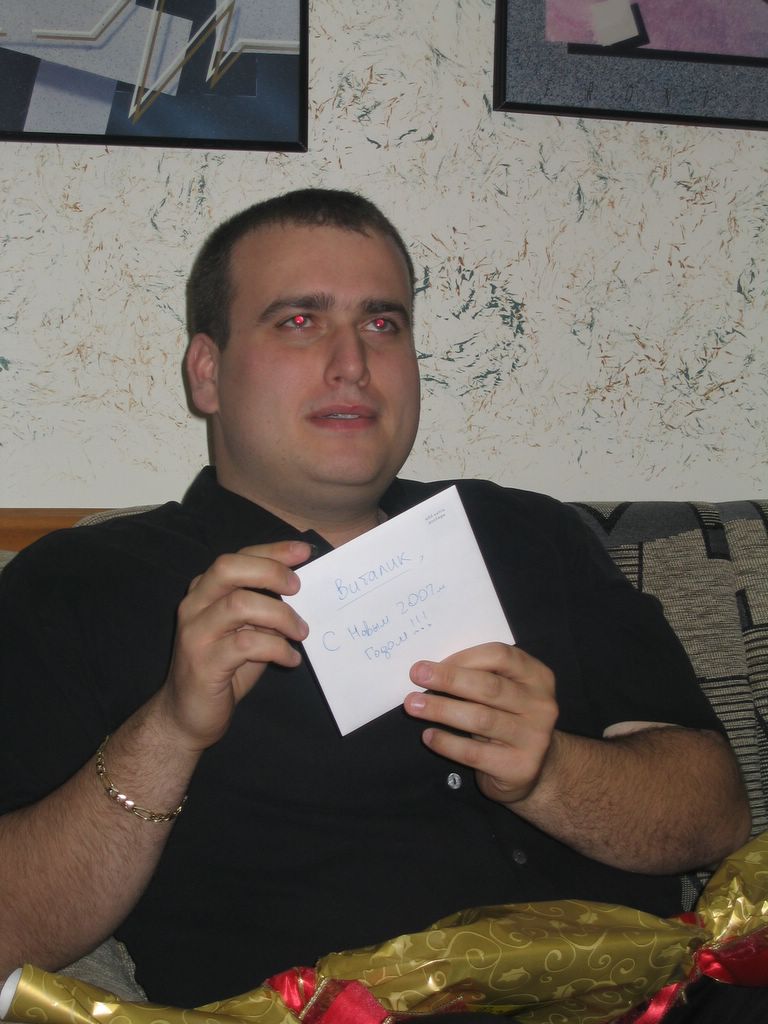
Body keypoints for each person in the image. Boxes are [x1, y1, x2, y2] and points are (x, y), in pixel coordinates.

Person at [0, 189, 753, 1017]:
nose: (352, 362)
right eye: (299, 321)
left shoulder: (527, 532)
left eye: (383, 323)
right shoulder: (80, 584)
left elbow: (715, 817)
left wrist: (548, 774)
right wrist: (170, 731)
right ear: (207, 372)